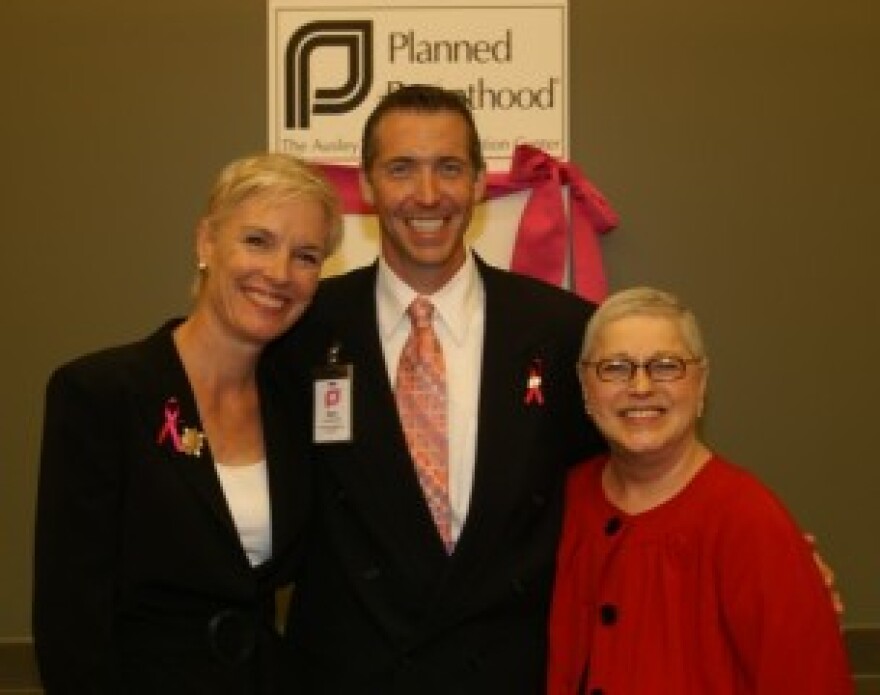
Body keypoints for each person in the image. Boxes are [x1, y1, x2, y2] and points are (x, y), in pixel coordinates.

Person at [277, 84, 605, 693]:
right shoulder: (300, 329)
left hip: (508, 675)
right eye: (402, 169)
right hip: (349, 676)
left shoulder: (562, 331)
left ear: (479, 182)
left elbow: (619, 489)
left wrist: (744, 550)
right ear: (368, 186)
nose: (427, 195)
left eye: (448, 168)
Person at [32, 153, 342, 694]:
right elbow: (70, 621)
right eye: (257, 241)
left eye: (306, 256)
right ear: (206, 243)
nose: (278, 273)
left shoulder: (298, 407)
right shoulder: (102, 394)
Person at [547, 287, 853, 694]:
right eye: (615, 367)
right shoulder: (561, 502)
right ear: (586, 388)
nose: (640, 387)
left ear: (701, 382)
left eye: (666, 366)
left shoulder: (751, 523)